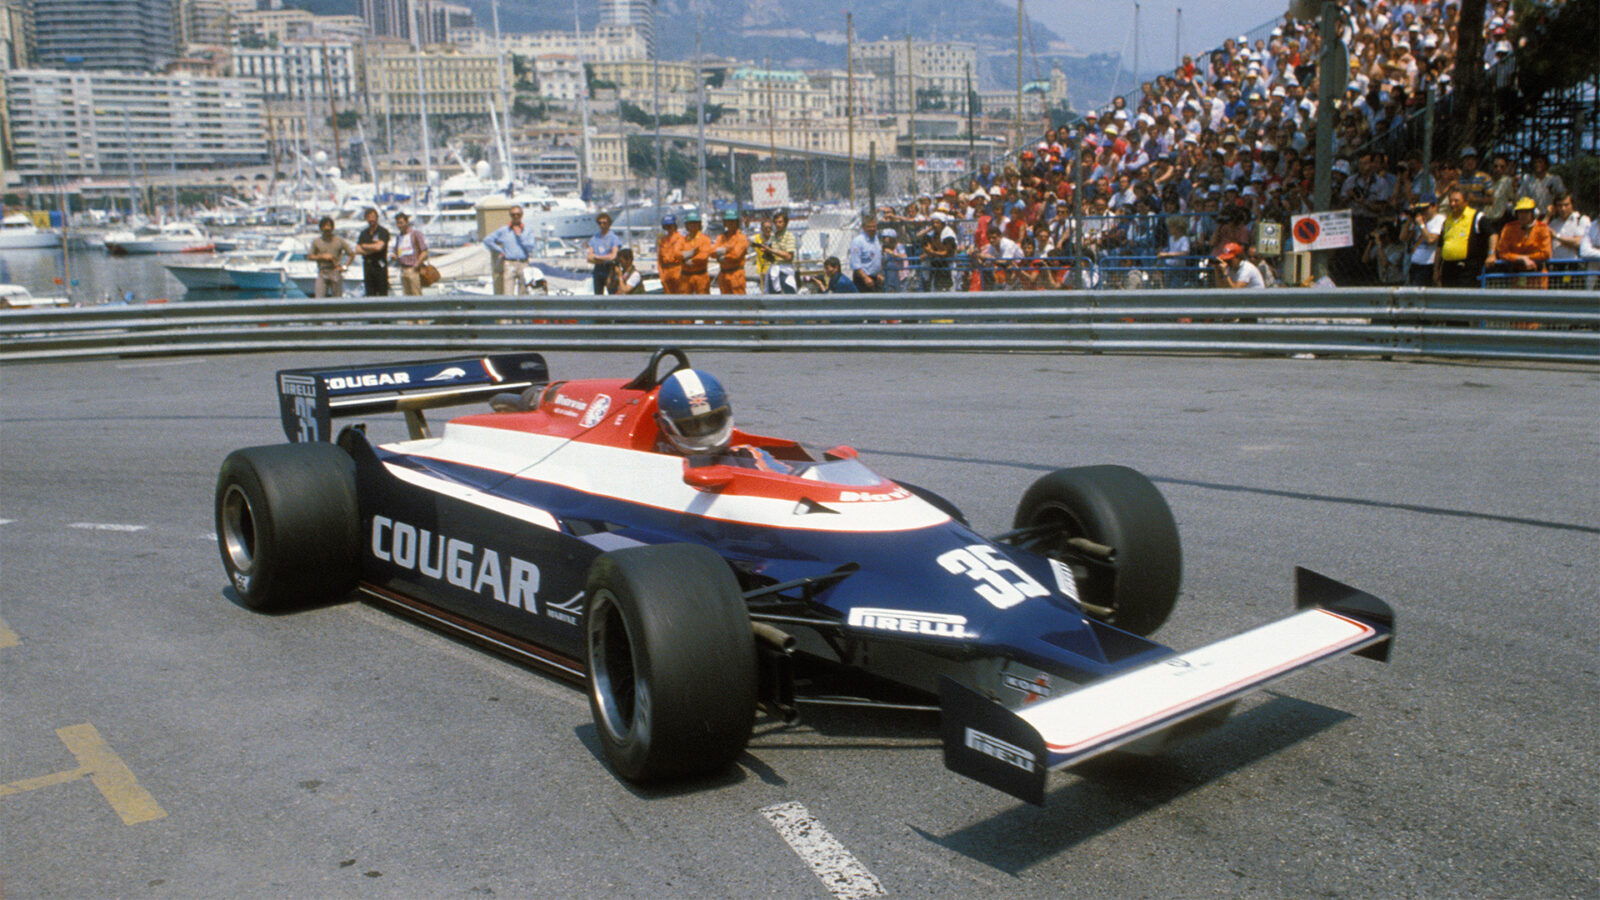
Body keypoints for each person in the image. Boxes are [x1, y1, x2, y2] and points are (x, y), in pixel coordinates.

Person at [654, 368, 734, 456]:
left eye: (712, 420)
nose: (705, 430)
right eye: (691, 426)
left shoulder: (746, 454)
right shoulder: (652, 460)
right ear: (666, 425)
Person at [1485, 197, 1551, 287]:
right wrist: (1520, 258)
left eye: (1526, 212)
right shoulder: (1509, 228)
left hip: (1538, 275)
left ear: (1533, 213)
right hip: (1516, 274)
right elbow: (1502, 252)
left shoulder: (1542, 228)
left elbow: (1546, 253)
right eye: (1520, 212)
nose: (1523, 215)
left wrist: (1527, 258)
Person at [1434, 188, 1489, 288]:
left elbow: (1492, 234)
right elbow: (1439, 246)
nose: (1452, 204)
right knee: (1448, 299)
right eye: (1451, 201)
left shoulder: (1477, 216)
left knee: (1465, 299)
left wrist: (1492, 254)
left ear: (1466, 202)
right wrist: (1436, 270)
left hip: (1467, 269)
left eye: (1456, 201)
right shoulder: (1447, 221)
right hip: (1448, 269)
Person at [483, 205, 538, 296]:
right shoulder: (504, 230)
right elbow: (487, 240)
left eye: (518, 214)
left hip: (523, 263)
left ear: (522, 215)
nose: (516, 216)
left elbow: (531, 247)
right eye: (513, 215)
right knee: (508, 293)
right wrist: (500, 250)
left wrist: (520, 236)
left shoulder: (528, 231)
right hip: (509, 263)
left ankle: (522, 310)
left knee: (524, 292)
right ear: (510, 216)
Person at [308, 216, 356, 298]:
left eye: (329, 226)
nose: (327, 228)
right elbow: (310, 256)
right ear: (321, 228)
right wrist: (322, 257)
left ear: (332, 228)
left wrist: (345, 267)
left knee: (337, 299)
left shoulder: (339, 240)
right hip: (322, 272)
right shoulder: (317, 242)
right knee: (319, 298)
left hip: (335, 271)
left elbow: (351, 254)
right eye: (324, 226)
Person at [1402, 193, 1444, 286]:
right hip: (1415, 263)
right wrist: (1410, 219)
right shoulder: (1421, 219)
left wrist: (1421, 224)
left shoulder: (1439, 220)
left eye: (1426, 208)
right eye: (1421, 209)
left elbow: (1431, 239)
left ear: (1434, 206)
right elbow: (1403, 237)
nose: (1423, 211)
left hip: (1428, 264)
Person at [711, 209, 749, 295]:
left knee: (739, 303)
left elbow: (736, 255)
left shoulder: (741, 238)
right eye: (728, 221)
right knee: (726, 303)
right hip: (723, 274)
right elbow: (712, 252)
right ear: (725, 223)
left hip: (736, 274)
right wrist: (728, 249)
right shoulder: (721, 237)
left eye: (733, 221)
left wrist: (722, 254)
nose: (730, 224)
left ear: (737, 222)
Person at [759, 209, 798, 293]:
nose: (777, 224)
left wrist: (771, 250)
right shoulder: (773, 236)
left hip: (785, 269)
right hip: (774, 267)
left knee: (789, 293)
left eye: (780, 222)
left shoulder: (789, 236)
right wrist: (767, 252)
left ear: (785, 223)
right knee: (772, 295)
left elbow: (788, 256)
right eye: (776, 222)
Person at [391, 212, 428, 296]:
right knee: (406, 295)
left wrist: (417, 264)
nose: (399, 225)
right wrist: (394, 256)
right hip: (403, 269)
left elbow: (424, 251)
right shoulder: (399, 237)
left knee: (416, 294)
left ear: (407, 222)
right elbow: (397, 251)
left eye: (401, 223)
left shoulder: (415, 234)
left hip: (413, 268)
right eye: (398, 223)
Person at [356, 208, 391, 296]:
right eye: (369, 217)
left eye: (373, 217)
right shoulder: (364, 233)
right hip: (368, 266)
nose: (371, 219)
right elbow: (357, 250)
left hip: (380, 266)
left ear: (377, 217)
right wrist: (373, 248)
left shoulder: (383, 232)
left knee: (382, 292)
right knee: (370, 293)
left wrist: (364, 246)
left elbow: (379, 247)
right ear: (366, 219)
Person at [586, 211, 623, 294]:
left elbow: (613, 256)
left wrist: (598, 257)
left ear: (609, 224)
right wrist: (605, 258)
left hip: (610, 269)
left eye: (604, 223)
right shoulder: (594, 238)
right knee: (598, 295)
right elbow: (589, 257)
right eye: (600, 223)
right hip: (598, 269)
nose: (602, 225)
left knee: (612, 293)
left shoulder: (614, 238)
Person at [847, 214, 884, 291]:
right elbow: (855, 263)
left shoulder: (876, 239)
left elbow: (877, 258)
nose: (872, 229)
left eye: (874, 226)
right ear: (863, 227)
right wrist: (865, 278)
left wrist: (879, 274)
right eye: (869, 226)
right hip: (863, 280)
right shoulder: (858, 241)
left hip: (875, 278)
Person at [679, 211, 713, 294]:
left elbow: (703, 256)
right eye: (690, 223)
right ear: (687, 226)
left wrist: (690, 260)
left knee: (703, 304)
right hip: (685, 277)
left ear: (699, 225)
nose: (693, 226)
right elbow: (676, 255)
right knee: (685, 303)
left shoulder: (705, 239)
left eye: (695, 223)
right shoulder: (682, 240)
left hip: (700, 276)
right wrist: (685, 258)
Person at [656, 214, 685, 294]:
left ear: (675, 225)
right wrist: (661, 275)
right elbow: (659, 260)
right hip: (666, 273)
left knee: (681, 296)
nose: (669, 227)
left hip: (678, 270)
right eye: (666, 225)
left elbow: (685, 258)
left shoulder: (681, 239)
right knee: (669, 298)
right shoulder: (662, 241)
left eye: (670, 225)